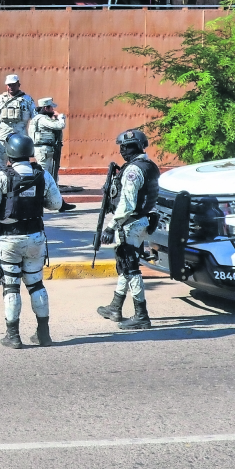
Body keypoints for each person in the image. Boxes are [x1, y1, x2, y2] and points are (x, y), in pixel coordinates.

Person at [0, 134, 63, 348]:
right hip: (35, 236)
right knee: (36, 284)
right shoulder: (43, 175)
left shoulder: (2, 177)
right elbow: (56, 204)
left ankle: (13, 336)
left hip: (9, 238)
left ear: (10, 153)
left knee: (11, 287)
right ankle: (43, 333)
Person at [96, 129, 160, 330]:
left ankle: (141, 315)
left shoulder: (132, 171)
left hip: (129, 224)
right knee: (125, 264)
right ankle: (115, 307)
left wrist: (110, 226)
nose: (122, 150)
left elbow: (127, 204)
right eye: (122, 146)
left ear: (137, 147)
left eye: (126, 146)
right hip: (142, 221)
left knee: (131, 269)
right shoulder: (149, 165)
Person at [28, 97, 75, 212]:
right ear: (46, 108)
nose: (53, 110)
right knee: (44, 178)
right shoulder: (42, 119)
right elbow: (60, 125)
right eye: (51, 108)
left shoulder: (38, 119)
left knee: (52, 177)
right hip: (44, 151)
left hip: (45, 150)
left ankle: (60, 202)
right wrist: (60, 117)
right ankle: (36, 204)